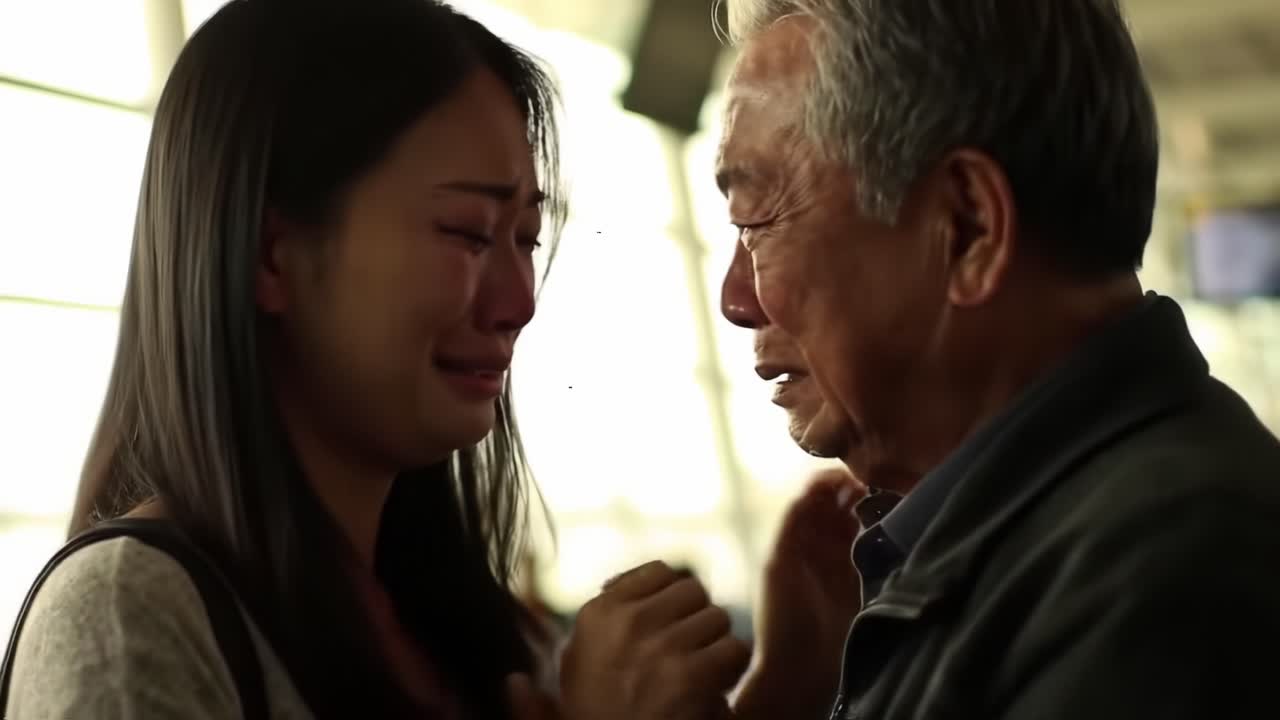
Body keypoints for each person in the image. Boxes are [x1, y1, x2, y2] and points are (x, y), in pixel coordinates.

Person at [3, 1, 746, 718]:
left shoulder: (450, 618)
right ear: (270, 255)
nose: (518, 303)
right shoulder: (128, 613)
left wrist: (788, 683)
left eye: (526, 239)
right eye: (467, 233)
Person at [715, 0, 1280, 718]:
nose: (737, 298)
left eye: (755, 219)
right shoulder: (1065, 547)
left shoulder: (1164, 580)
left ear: (969, 228)